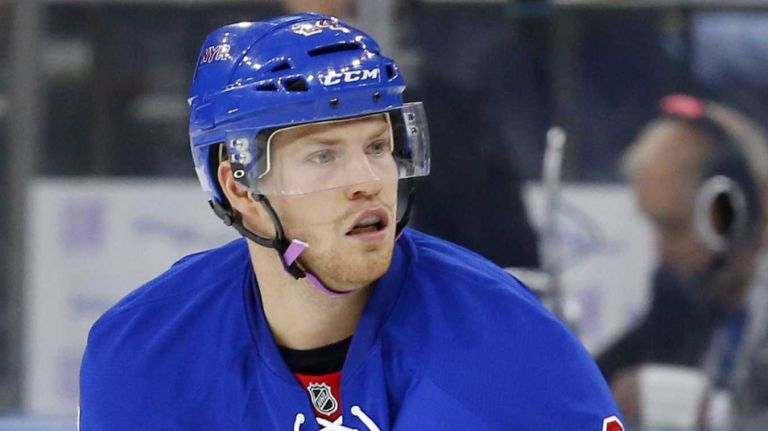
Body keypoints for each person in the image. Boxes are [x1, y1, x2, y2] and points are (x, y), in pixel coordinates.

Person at [79, 13, 622, 430]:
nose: (369, 180)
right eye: (324, 156)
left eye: (379, 146)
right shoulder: (144, 354)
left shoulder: (509, 346)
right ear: (239, 186)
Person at [597, 94, 768, 427]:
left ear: (735, 211)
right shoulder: (687, 301)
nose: (662, 251)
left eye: (673, 226)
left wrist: (703, 409)